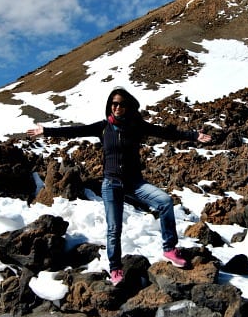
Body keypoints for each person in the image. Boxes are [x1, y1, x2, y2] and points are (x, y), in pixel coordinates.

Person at [27, 87, 211, 285]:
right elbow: (75, 131)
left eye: (121, 104)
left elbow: (165, 132)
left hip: (135, 182)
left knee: (165, 202)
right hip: (111, 184)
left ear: (128, 106)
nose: (117, 107)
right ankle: (115, 268)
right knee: (114, 228)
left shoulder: (136, 126)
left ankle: (169, 249)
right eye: (114, 103)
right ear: (109, 105)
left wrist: (192, 135)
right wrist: (45, 131)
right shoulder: (103, 127)